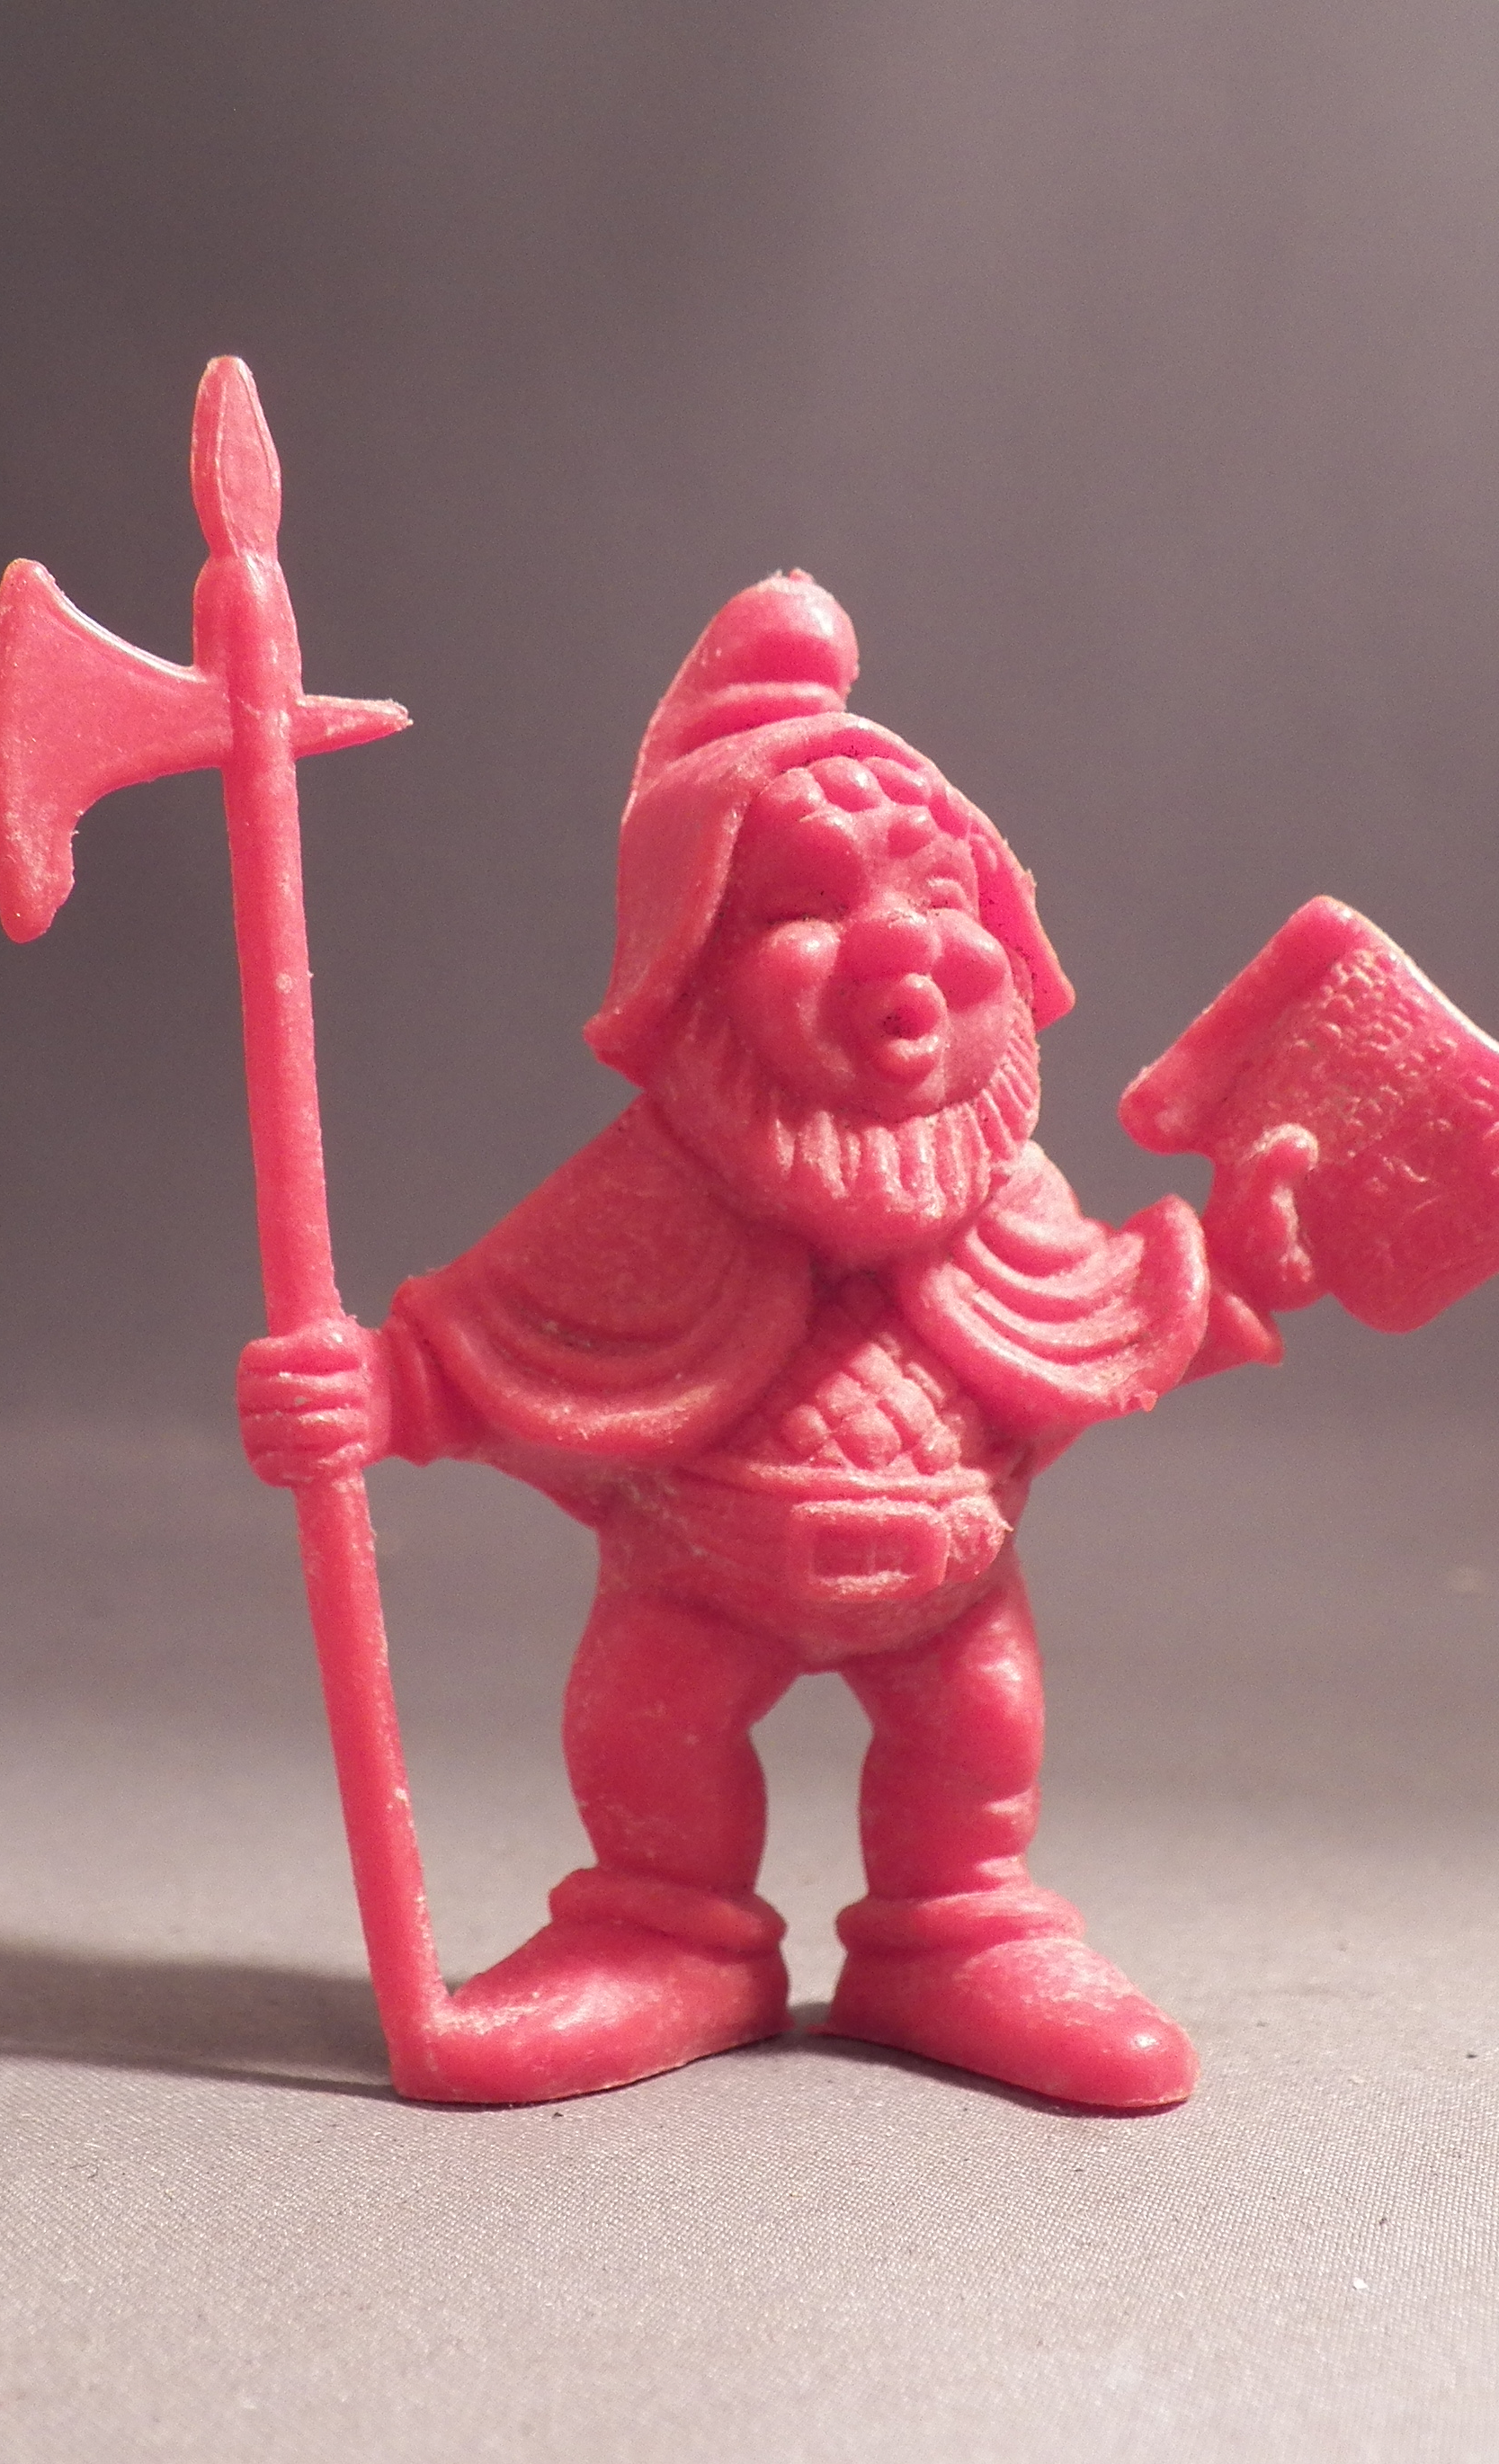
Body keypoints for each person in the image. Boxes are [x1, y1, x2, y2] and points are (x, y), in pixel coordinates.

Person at [237, 574, 1284, 2110]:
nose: (896, 947)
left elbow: (1104, 1323)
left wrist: (1242, 1274)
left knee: (978, 1733)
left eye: (941, 897)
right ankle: (666, 1934)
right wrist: (374, 1390)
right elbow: (500, 1345)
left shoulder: (1006, 1194)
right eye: (807, 907)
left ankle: (957, 1932)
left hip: (950, 1591)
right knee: (646, 1732)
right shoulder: (647, 1198)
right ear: (690, 975)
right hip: (697, 1580)